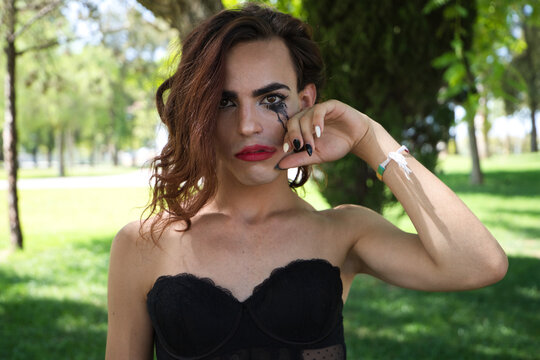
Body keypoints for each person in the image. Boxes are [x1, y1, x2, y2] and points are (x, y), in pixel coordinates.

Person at [105, 3, 508, 359]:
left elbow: (478, 264)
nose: (248, 125)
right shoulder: (143, 245)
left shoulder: (345, 232)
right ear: (201, 112)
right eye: (225, 102)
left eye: (272, 100)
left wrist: (370, 139)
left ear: (306, 102)